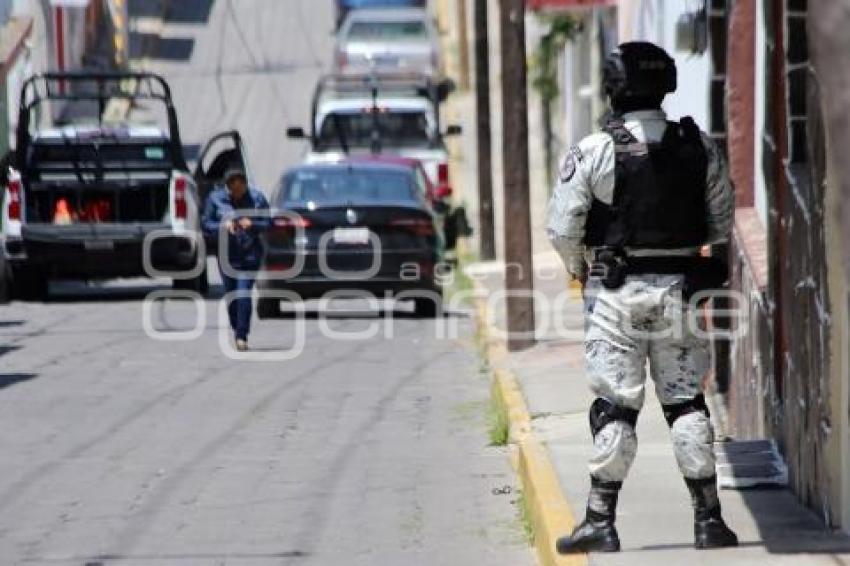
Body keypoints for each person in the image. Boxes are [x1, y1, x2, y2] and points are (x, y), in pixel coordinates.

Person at [546, 41, 738, 553]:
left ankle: (600, 522)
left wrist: (578, 269)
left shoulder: (593, 151)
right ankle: (709, 521)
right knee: (686, 403)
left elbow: (563, 228)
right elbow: (721, 221)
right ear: (666, 84)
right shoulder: (700, 147)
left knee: (616, 407)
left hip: (616, 293)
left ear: (613, 88)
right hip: (681, 292)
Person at [202, 167, 269, 351]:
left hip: (250, 253)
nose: (238, 190)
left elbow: (268, 222)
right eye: (234, 187)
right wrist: (223, 225)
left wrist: (253, 224)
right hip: (227, 255)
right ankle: (236, 326)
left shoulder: (257, 198)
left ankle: (242, 335)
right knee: (232, 295)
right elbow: (206, 224)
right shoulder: (215, 199)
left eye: (242, 186)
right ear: (228, 187)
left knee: (243, 293)